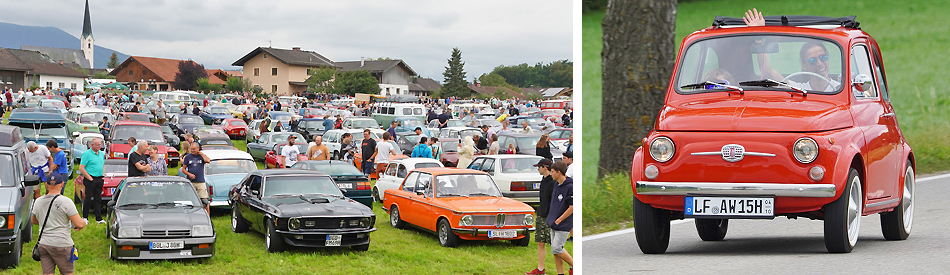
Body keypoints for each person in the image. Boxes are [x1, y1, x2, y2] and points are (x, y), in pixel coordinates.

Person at [743, 8, 840, 92]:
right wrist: (758, 36)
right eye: (812, 61)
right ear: (804, 66)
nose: (819, 64)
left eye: (823, 58)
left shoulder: (839, 88)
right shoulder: (800, 90)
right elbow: (767, 72)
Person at [31, 173, 86, 275]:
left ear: (46, 185)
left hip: (44, 244)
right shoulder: (66, 202)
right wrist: (84, 222)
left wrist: (47, 222)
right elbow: (80, 224)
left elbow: (33, 220)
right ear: (62, 184)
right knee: (67, 273)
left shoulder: (38, 201)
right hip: (62, 245)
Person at [525, 159, 556, 275]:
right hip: (541, 214)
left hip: (550, 216)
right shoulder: (543, 181)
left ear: (545, 167)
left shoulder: (553, 182)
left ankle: (572, 265)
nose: (538, 169)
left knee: (555, 244)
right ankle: (540, 269)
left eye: (539, 167)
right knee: (540, 242)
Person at [547, 161, 574, 275]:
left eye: (552, 172)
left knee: (557, 248)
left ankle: (574, 265)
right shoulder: (556, 184)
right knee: (556, 251)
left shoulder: (570, 187)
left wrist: (560, 219)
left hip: (562, 224)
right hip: (553, 222)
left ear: (559, 172)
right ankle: (560, 273)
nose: (551, 174)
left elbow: (572, 207)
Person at [78, 137, 106, 224]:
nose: (99, 146)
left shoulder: (101, 153)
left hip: (99, 178)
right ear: (92, 145)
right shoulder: (86, 154)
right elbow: (81, 168)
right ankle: (85, 217)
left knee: (98, 198)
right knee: (88, 198)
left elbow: (103, 164)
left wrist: (103, 175)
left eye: (100, 145)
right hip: (90, 179)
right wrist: (89, 178)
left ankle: (99, 218)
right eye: (97, 145)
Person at [180, 143, 211, 213]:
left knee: (204, 201)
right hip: (191, 182)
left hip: (200, 182)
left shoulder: (201, 157)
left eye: (194, 149)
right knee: (190, 200)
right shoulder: (188, 157)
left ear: (198, 148)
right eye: (191, 149)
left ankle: (207, 218)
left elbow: (208, 160)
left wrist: (201, 154)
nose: (192, 151)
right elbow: (183, 169)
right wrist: (189, 174)